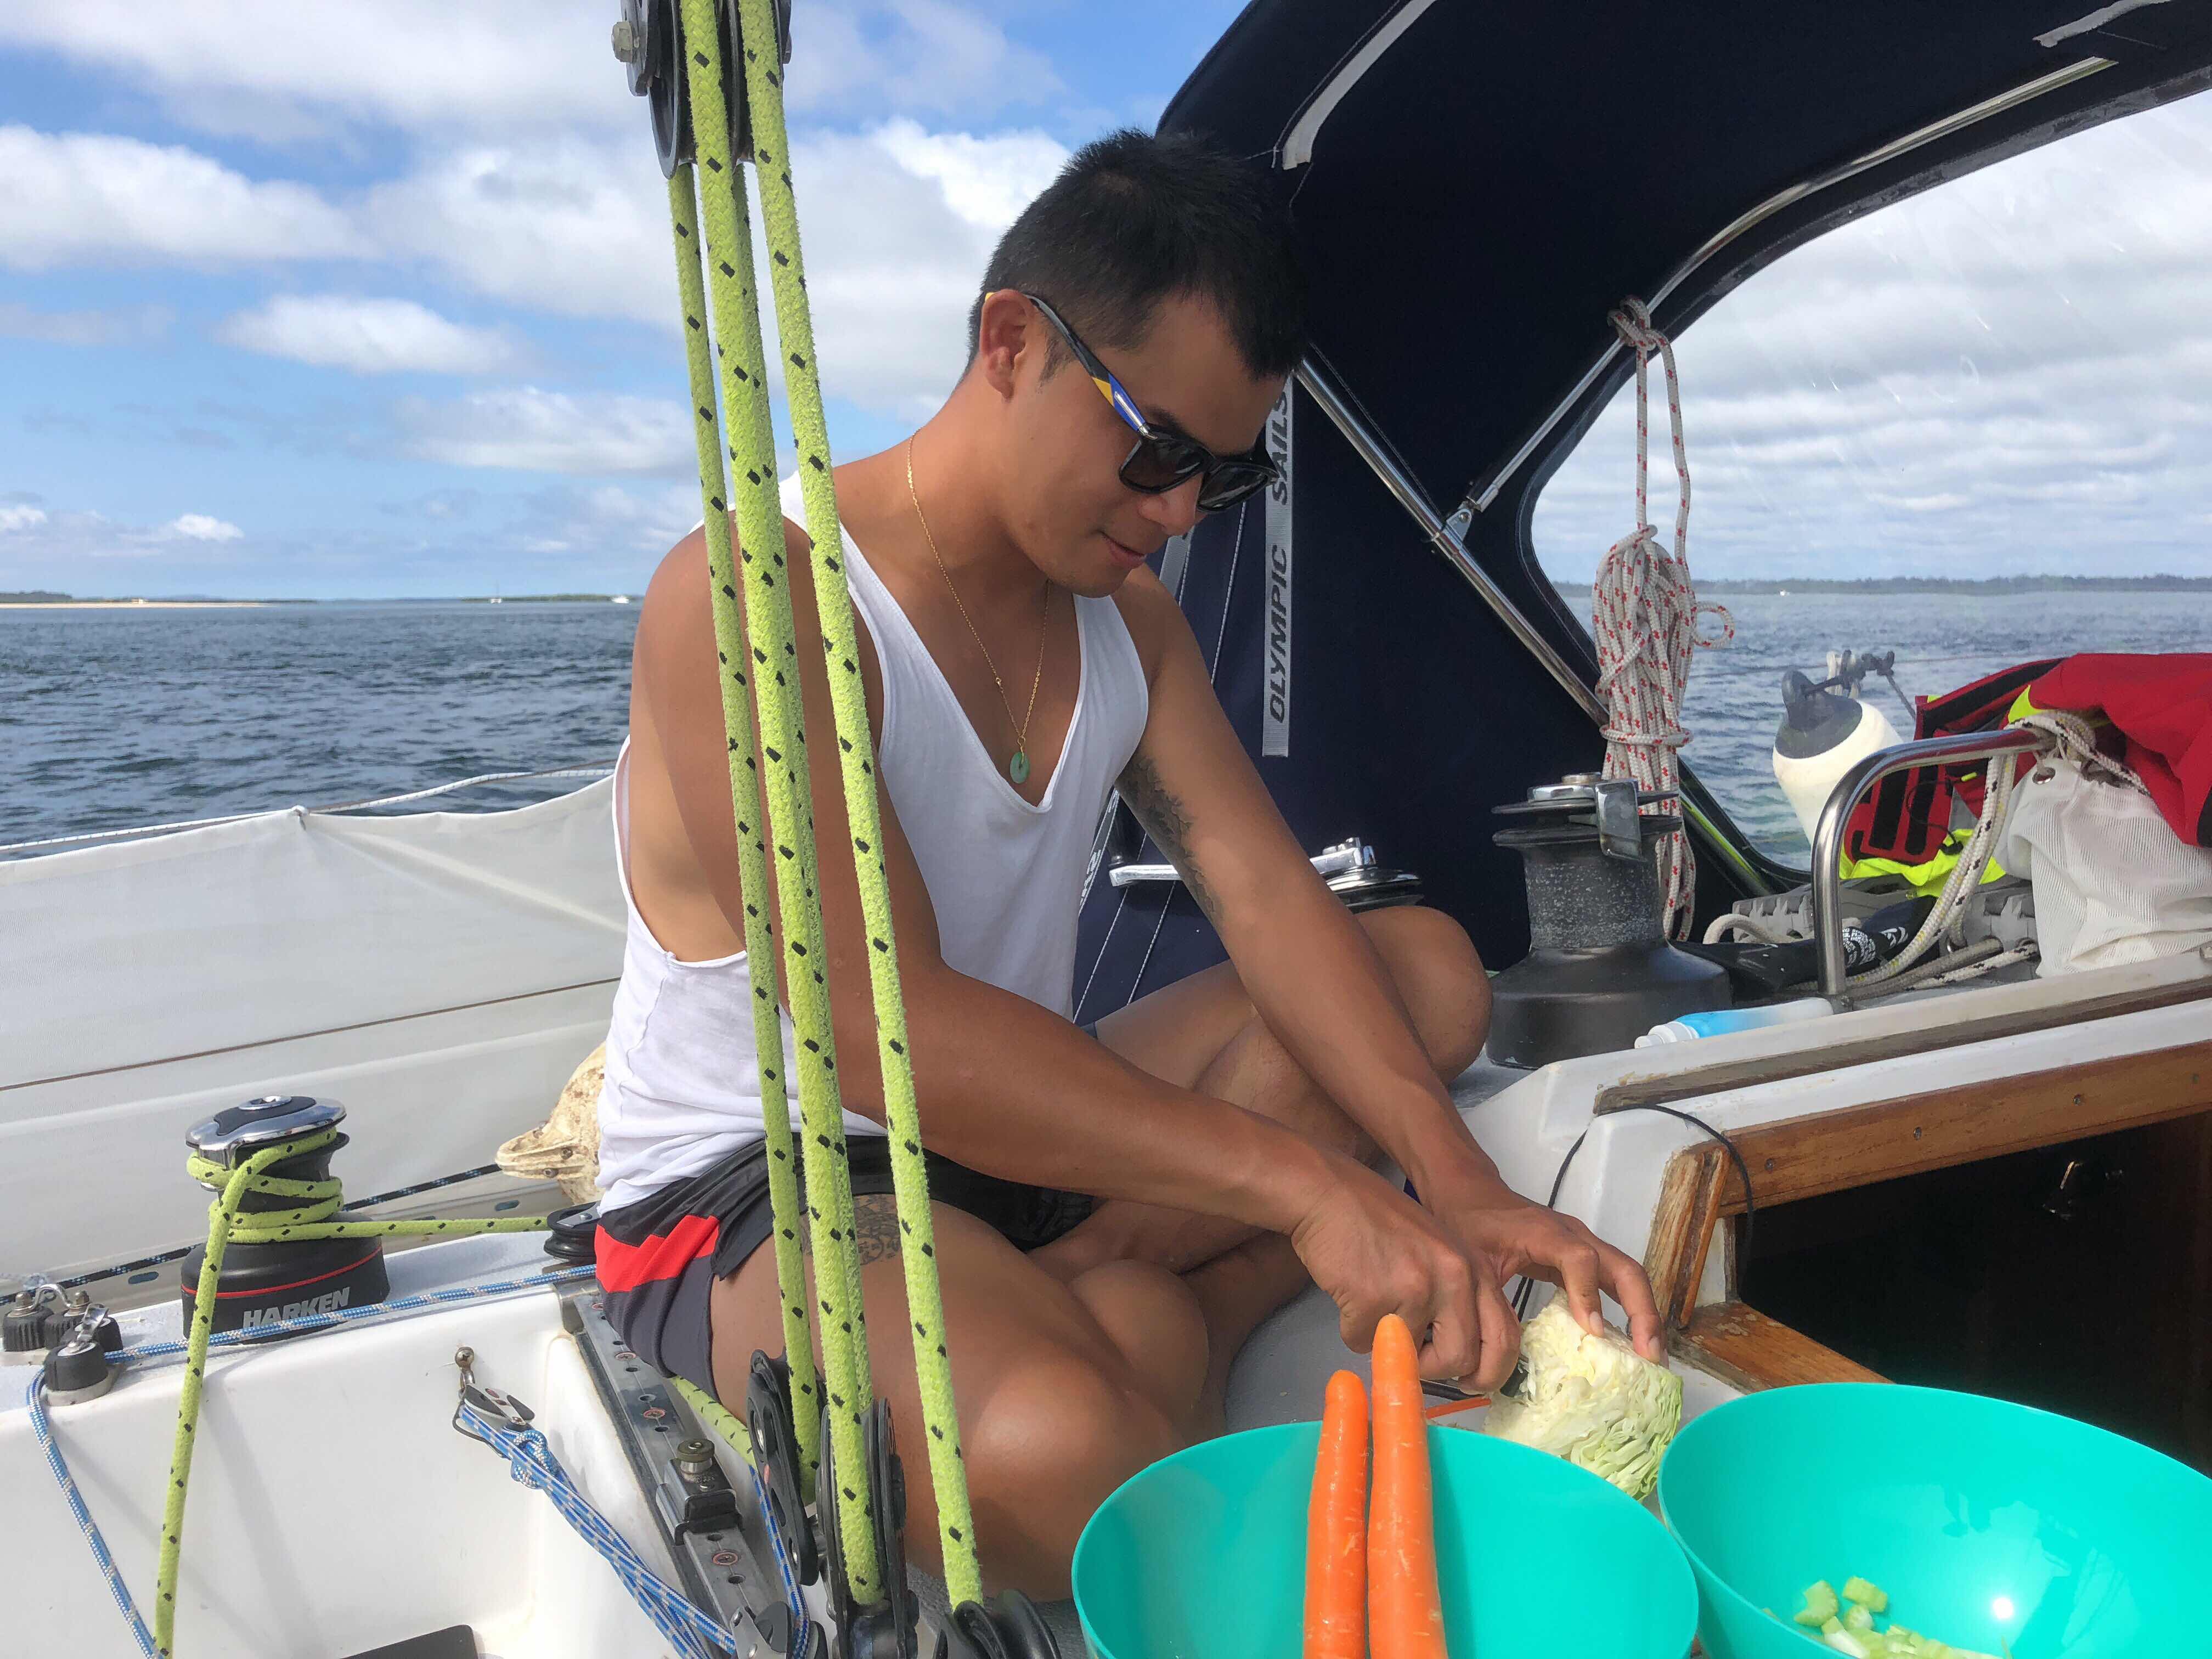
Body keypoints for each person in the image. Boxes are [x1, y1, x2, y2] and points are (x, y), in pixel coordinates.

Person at [592, 128, 1662, 1597]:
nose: (1174, 516)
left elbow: (1270, 897)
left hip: (994, 1143)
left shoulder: (1129, 626)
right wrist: (1309, 1190)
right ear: (1013, 344)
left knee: (1421, 970)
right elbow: (879, 1033)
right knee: (1067, 1455)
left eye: (1222, 479)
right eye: (1157, 449)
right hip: (759, 1185)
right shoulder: (758, 598)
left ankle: (1126, 1307)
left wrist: (1453, 1178)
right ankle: (1150, 1315)